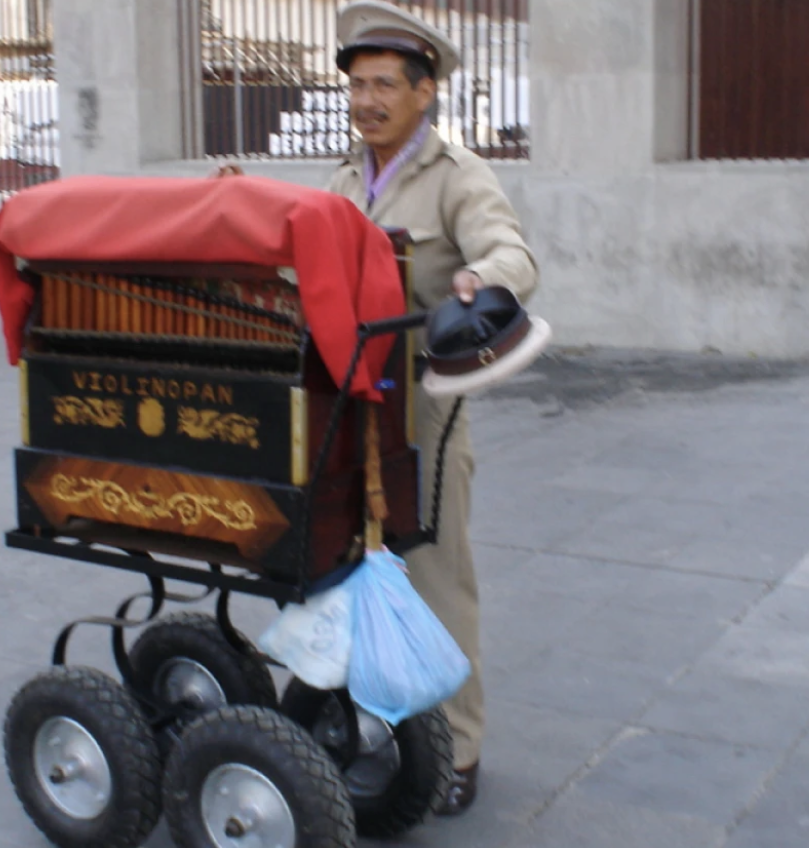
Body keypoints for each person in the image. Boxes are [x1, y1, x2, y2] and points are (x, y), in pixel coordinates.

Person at [219, 0, 539, 817]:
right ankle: (359, 722)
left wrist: (482, 280)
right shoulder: (338, 181)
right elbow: (306, 272)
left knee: (435, 576)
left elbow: (512, 251)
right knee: (333, 566)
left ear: (424, 92)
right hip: (339, 406)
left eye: (384, 85)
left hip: (420, 413)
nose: (366, 101)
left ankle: (457, 748)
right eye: (357, 85)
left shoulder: (457, 175)